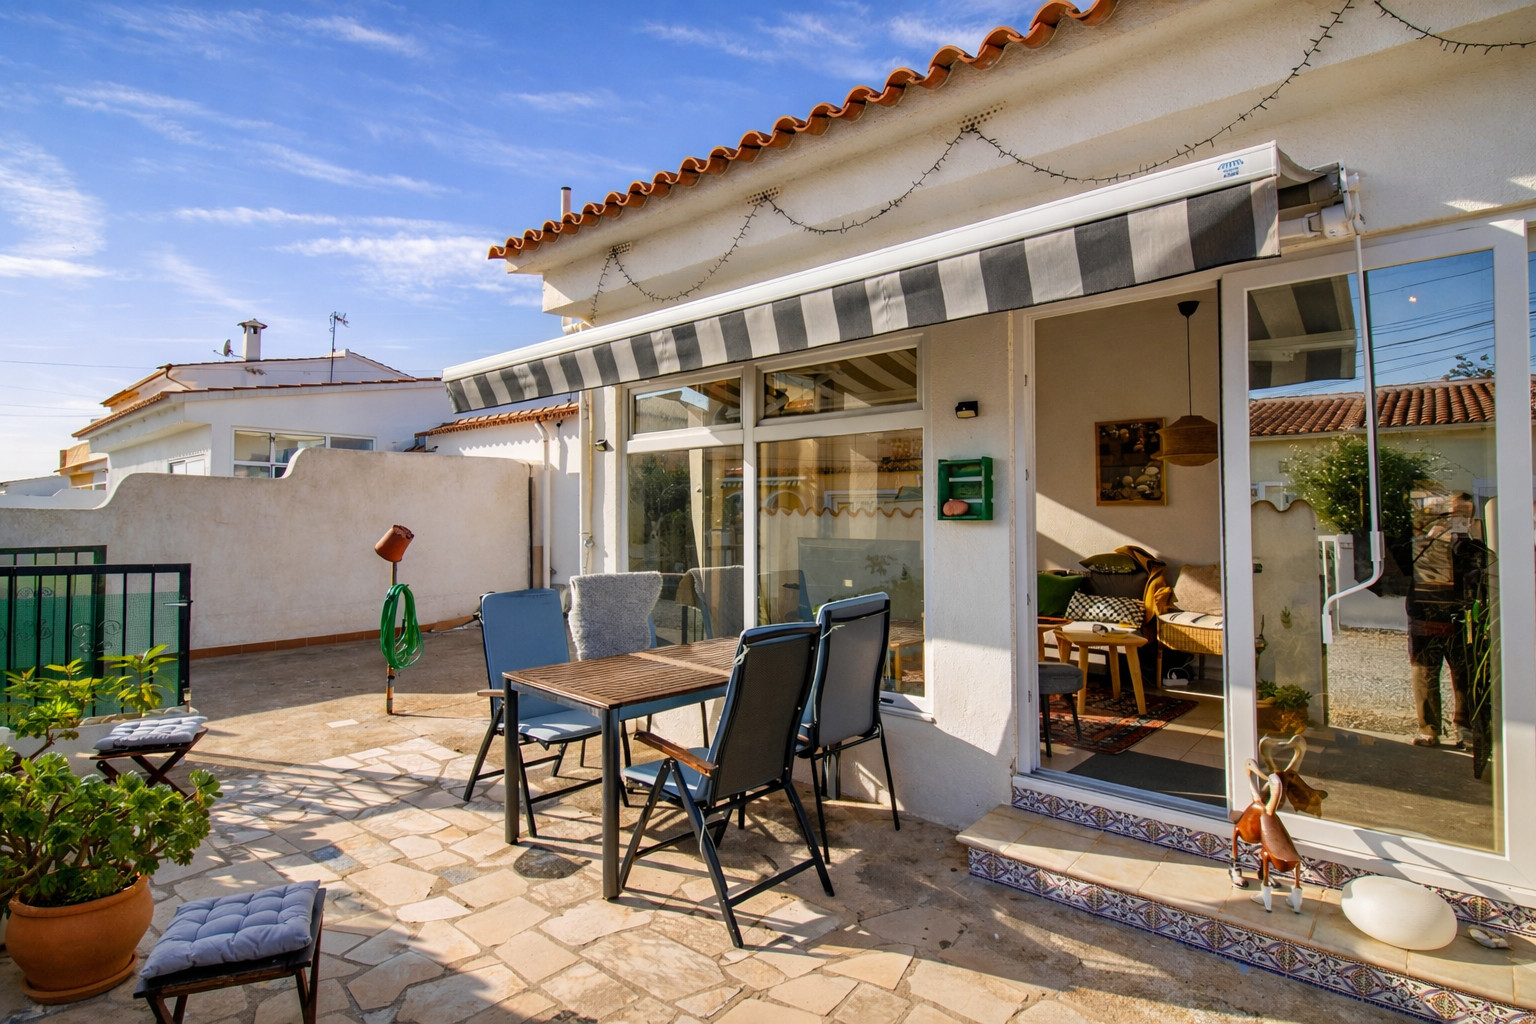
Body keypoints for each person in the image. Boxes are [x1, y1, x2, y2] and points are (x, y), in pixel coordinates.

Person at [1405, 492, 1484, 747]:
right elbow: (1403, 569)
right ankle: (1429, 729)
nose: (1455, 519)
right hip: (1425, 617)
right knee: (1425, 674)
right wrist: (1430, 539)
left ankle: (1465, 729)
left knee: (1464, 675)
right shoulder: (1423, 542)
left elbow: (1476, 579)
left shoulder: (1473, 547)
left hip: (1460, 620)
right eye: (1452, 513)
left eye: (1463, 514)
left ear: (1470, 520)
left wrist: (1463, 541)